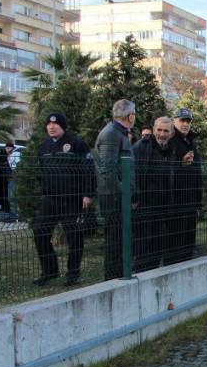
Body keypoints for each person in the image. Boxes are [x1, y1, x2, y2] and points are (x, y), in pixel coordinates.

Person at [32, 112, 95, 287]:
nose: (52, 127)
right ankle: (49, 270)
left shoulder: (76, 144)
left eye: (56, 124)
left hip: (72, 199)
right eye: (49, 124)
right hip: (50, 198)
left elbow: (88, 170)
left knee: (74, 236)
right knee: (40, 231)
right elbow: (41, 172)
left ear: (62, 126)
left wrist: (87, 194)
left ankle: (73, 273)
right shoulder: (43, 146)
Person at [94, 99, 136, 280]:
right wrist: (122, 195)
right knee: (114, 241)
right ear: (130, 116)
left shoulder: (119, 133)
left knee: (120, 240)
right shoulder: (111, 134)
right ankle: (112, 279)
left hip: (118, 196)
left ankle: (120, 274)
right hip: (114, 197)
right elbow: (107, 169)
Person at [132, 117, 177, 271]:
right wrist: (135, 198)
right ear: (153, 130)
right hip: (144, 203)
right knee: (143, 244)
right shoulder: (141, 147)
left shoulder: (170, 150)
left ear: (171, 133)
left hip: (162, 204)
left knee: (158, 243)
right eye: (159, 130)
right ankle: (141, 276)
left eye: (166, 131)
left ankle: (155, 273)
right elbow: (132, 174)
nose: (162, 134)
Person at [166, 108, 203, 264]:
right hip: (175, 199)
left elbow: (197, 171)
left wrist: (198, 200)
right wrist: (180, 164)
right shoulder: (170, 140)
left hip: (190, 199)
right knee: (174, 240)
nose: (185, 124)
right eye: (182, 120)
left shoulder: (191, 142)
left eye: (188, 121)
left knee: (188, 238)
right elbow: (165, 166)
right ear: (175, 121)